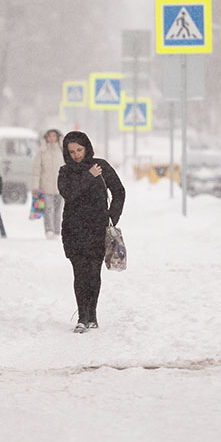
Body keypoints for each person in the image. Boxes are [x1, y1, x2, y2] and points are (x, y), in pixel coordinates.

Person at [58, 131, 125, 333]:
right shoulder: (65, 171)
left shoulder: (101, 166)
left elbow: (119, 191)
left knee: (94, 272)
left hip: (97, 228)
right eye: (72, 151)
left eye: (79, 149)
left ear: (86, 147)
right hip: (74, 229)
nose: (77, 155)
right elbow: (69, 193)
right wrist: (88, 176)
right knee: (79, 273)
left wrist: (112, 216)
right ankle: (81, 317)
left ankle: (92, 316)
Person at [31, 128, 65, 239]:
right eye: (49, 136)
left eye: (54, 136)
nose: (51, 138)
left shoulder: (62, 151)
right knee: (48, 210)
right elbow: (36, 170)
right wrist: (35, 186)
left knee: (58, 211)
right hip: (46, 186)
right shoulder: (42, 152)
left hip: (60, 187)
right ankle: (49, 230)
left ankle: (56, 231)